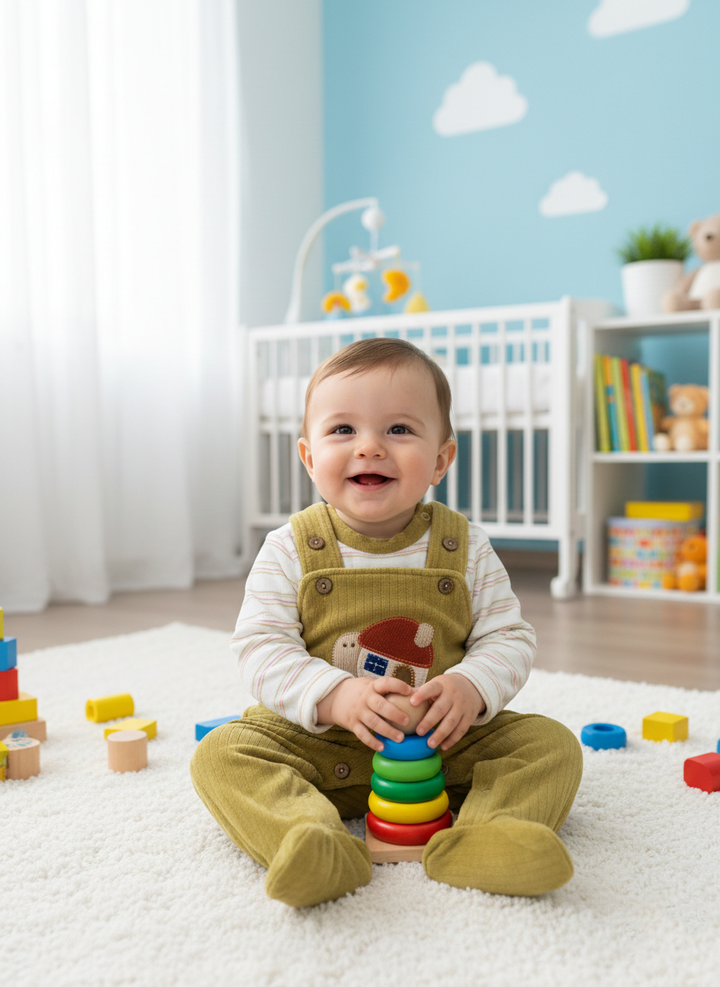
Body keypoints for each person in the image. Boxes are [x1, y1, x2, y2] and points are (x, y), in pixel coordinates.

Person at [190, 337, 582, 907]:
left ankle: (487, 836)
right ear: (308, 457)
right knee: (221, 755)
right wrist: (334, 696)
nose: (369, 447)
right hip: (319, 743)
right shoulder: (289, 548)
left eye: (398, 429)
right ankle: (310, 840)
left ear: (441, 460)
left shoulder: (466, 546)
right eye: (343, 430)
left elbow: (508, 636)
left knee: (550, 745)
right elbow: (260, 647)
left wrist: (471, 687)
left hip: (443, 747)